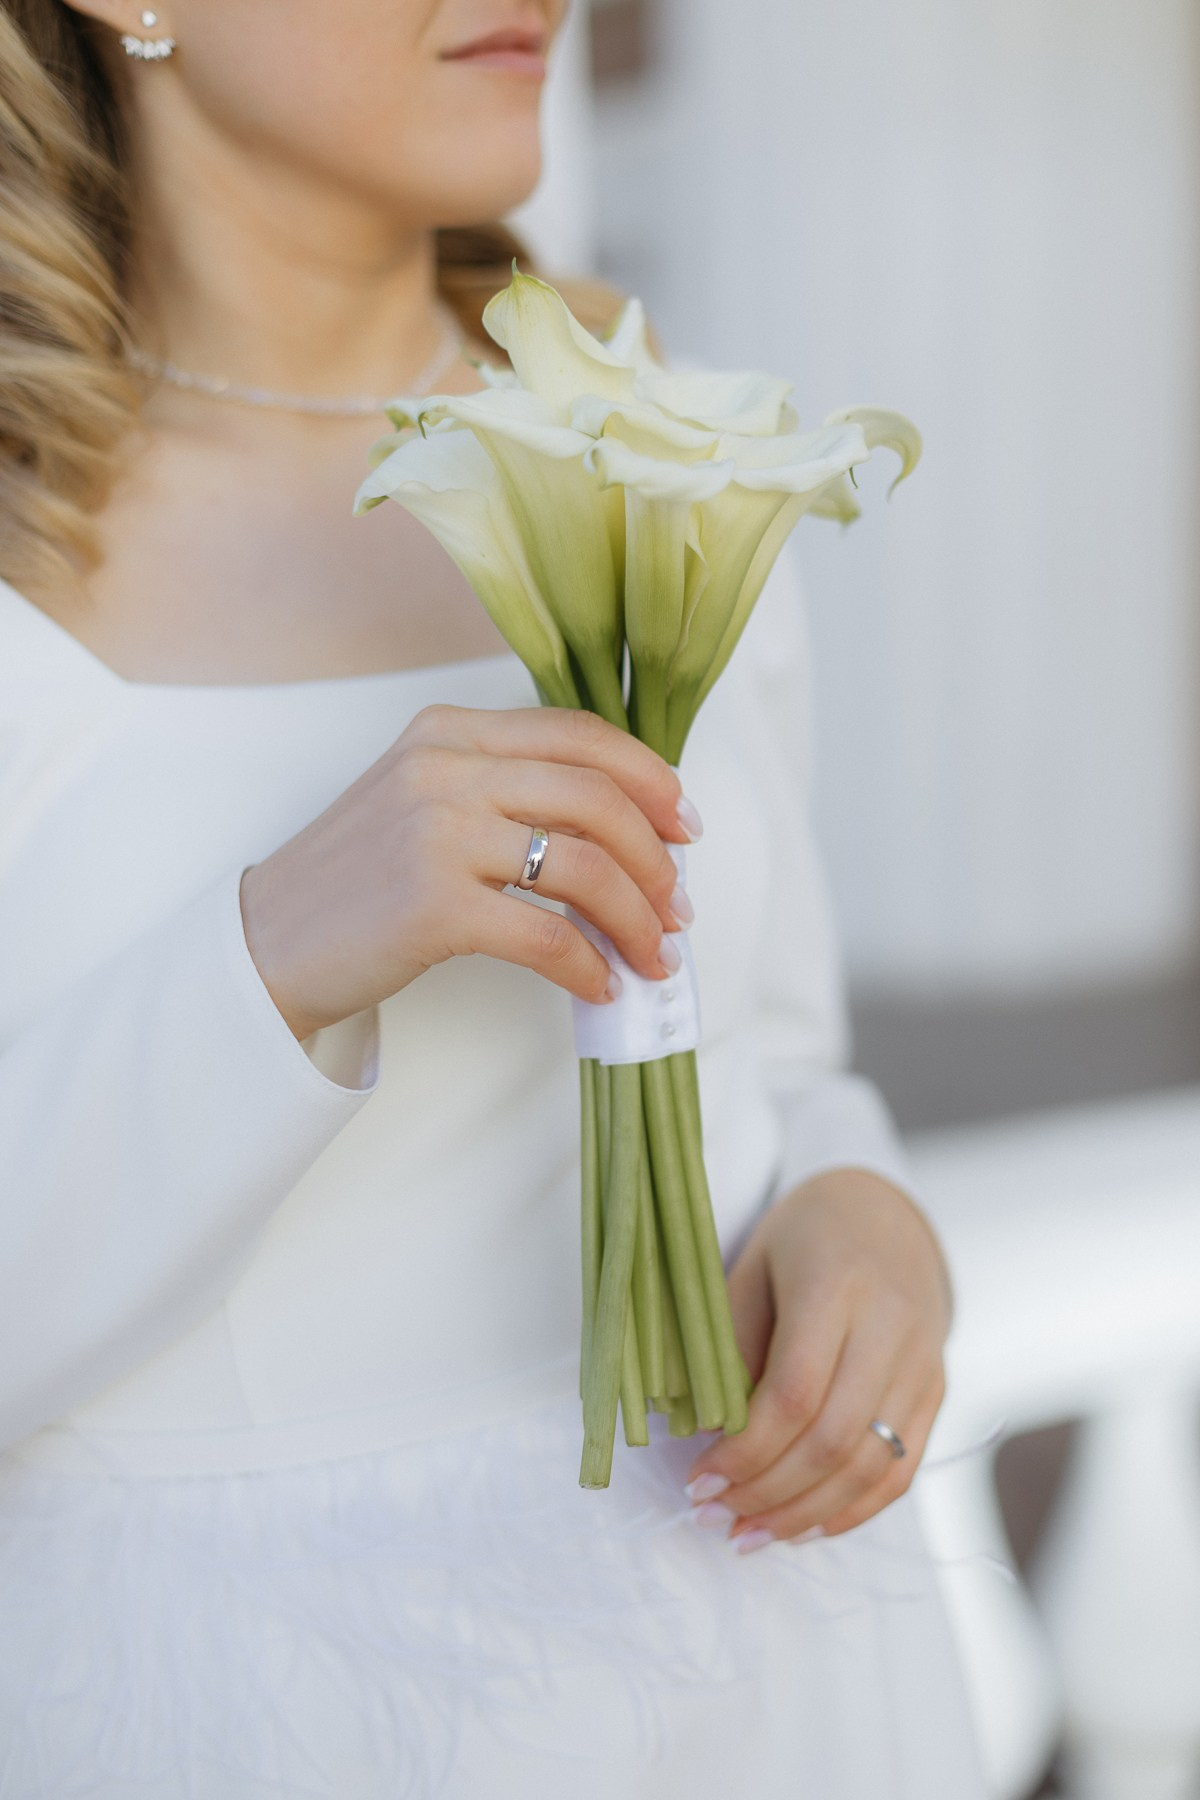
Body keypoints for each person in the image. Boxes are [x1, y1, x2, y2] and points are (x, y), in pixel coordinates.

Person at [0, 1, 988, 1794]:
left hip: (761, 1685)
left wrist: (864, 1213)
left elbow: (780, 1044)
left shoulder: (675, 449)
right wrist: (278, 950)